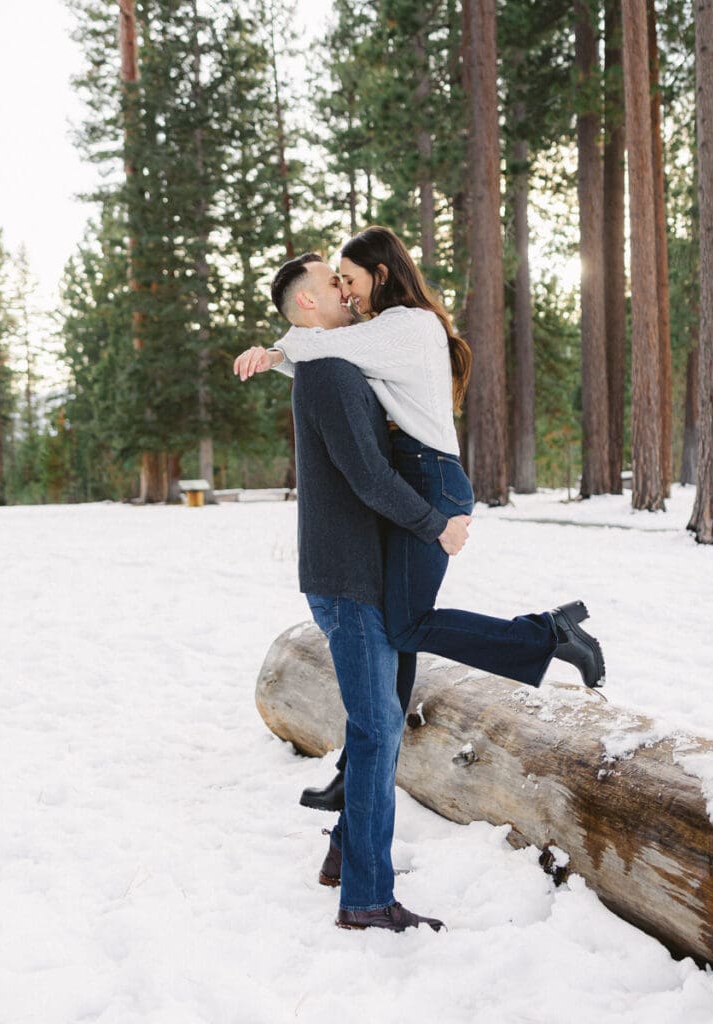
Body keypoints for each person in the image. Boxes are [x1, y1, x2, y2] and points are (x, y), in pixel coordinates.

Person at [236, 253, 469, 932]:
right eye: (331, 283)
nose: (344, 289)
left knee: (383, 720)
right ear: (308, 305)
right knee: (377, 729)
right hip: (349, 580)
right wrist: (437, 526)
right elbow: (369, 478)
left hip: (363, 572)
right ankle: (367, 898)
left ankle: (345, 854)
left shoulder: (339, 360)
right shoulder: (331, 371)